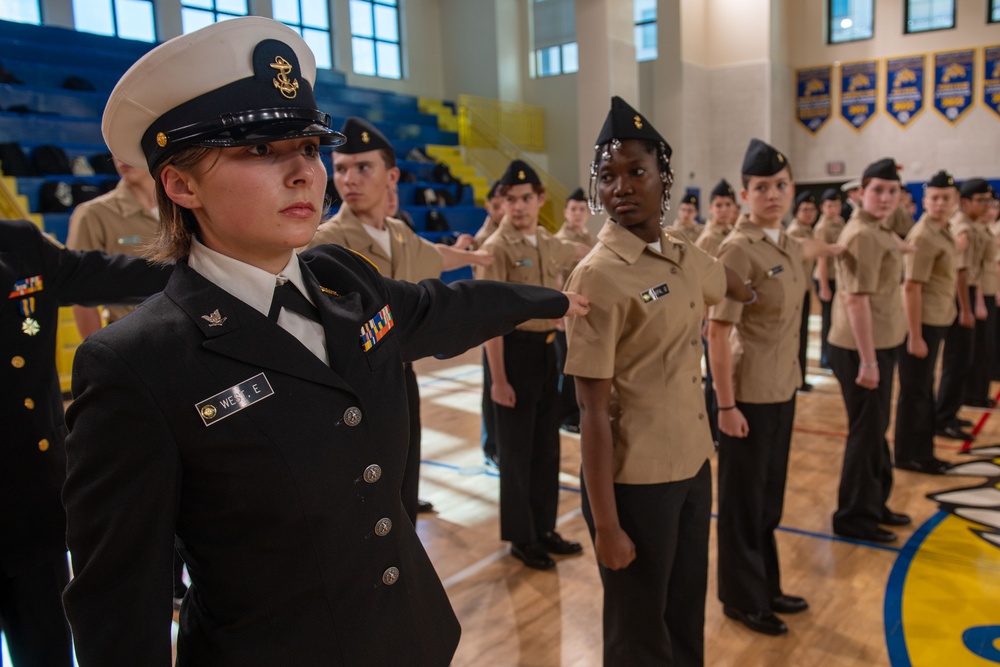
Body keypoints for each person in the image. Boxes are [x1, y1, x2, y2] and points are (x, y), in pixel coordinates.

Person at [61, 19, 588, 666]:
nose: (303, 173)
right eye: (259, 150)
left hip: (412, 638)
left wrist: (557, 300)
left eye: (308, 146)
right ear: (180, 184)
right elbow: (119, 612)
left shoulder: (344, 281)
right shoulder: (136, 365)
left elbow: (443, 309)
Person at [565, 96, 753, 666]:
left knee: (683, 613)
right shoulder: (598, 275)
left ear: (664, 180)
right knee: (638, 633)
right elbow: (592, 414)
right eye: (607, 176)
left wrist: (751, 280)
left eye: (636, 172)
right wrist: (604, 526)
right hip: (636, 482)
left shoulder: (682, 254)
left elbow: (735, 285)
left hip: (694, 466)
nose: (621, 186)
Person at [305, 116, 493, 525]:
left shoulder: (400, 233)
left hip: (402, 375)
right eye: (340, 168)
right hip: (354, 386)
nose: (349, 178)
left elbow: (435, 255)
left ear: (392, 175)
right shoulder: (323, 243)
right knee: (367, 494)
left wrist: (475, 258)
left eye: (363, 167)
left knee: (405, 477)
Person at [1, 218, 169, 667]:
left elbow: (113, 274)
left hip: (32, 499)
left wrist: (219, 266)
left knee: (46, 646)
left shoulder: (17, 244)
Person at [709, 140, 841, 637]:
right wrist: (725, 405)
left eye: (780, 186)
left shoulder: (784, 243)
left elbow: (811, 252)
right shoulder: (738, 249)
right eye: (761, 188)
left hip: (782, 387)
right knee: (744, 503)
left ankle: (765, 584)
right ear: (745, 193)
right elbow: (717, 332)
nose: (772, 195)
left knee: (768, 501)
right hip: (747, 396)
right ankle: (741, 599)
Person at [476, 159, 588, 570]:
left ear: (540, 199)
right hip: (514, 353)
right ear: (502, 202)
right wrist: (499, 380)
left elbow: (580, 250)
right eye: (510, 199)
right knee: (517, 453)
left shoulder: (544, 239)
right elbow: (490, 321)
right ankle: (522, 538)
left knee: (546, 448)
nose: (518, 206)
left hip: (546, 352)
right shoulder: (497, 248)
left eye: (526, 198)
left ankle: (545, 527)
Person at [828, 158, 911, 543]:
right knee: (866, 432)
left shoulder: (879, 229)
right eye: (877, 190)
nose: (885, 197)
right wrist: (869, 360)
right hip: (863, 349)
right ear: (861, 192)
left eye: (892, 191)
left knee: (877, 430)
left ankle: (875, 503)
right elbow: (856, 301)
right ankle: (854, 517)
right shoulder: (861, 233)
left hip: (881, 343)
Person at [894, 170, 959, 475]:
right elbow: (911, 287)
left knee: (924, 390)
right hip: (920, 324)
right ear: (925, 200)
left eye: (946, 197)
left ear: (955, 199)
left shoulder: (942, 231)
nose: (941, 202)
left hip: (936, 319)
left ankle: (924, 451)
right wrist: (915, 335)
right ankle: (910, 454)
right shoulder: (923, 235)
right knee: (916, 392)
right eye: (934, 197)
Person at [67, 156, 160, 337]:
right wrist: (95, 356)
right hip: (133, 340)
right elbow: (81, 292)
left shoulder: (185, 208)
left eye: (127, 149)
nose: (121, 157)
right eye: (115, 150)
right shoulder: (93, 214)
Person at [936, 179, 990, 440]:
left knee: (963, 359)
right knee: (955, 360)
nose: (987, 205)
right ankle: (944, 417)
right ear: (966, 202)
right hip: (959, 296)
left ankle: (952, 412)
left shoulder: (973, 225)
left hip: (967, 293)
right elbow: (959, 273)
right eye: (981, 200)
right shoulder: (963, 228)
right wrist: (965, 308)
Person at [696, 178, 740, 445]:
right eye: (719, 205)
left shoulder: (728, 234)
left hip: (727, 313)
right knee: (714, 373)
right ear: (710, 208)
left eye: (728, 205)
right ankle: (713, 431)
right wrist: (705, 318)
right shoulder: (710, 238)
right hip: (712, 315)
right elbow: (698, 282)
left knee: (722, 370)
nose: (724, 210)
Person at [554, 186, 596, 433]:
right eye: (573, 209)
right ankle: (567, 413)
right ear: (565, 212)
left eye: (582, 209)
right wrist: (558, 310)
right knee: (566, 364)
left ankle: (579, 409)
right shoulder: (560, 241)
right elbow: (556, 275)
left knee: (582, 360)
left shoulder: (591, 240)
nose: (577, 213)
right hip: (566, 311)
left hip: (585, 309)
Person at [962, 179, 999, 408]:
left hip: (988, 290)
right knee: (977, 348)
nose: (989, 208)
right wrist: (978, 302)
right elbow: (971, 271)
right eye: (984, 202)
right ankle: (973, 394)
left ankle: (979, 392)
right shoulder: (968, 230)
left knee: (986, 346)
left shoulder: (984, 230)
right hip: (981, 293)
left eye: (992, 203)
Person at [475, 180, 504, 468]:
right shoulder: (486, 238)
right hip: (489, 321)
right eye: (496, 205)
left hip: (503, 321)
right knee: (491, 384)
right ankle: (490, 446)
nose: (501, 210)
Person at [787, 190, 818, 391]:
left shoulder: (808, 231)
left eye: (812, 210)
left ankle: (800, 377)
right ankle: (795, 379)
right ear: (796, 212)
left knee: (802, 336)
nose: (809, 213)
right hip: (794, 293)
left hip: (804, 290)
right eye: (804, 210)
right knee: (794, 337)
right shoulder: (794, 234)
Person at [813, 188, 845, 368]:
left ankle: (833, 354)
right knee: (827, 319)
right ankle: (826, 357)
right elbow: (822, 257)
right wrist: (824, 285)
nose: (833, 209)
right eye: (829, 206)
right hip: (826, 277)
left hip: (837, 277)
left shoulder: (839, 222)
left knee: (836, 318)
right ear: (823, 207)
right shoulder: (822, 227)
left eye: (836, 205)